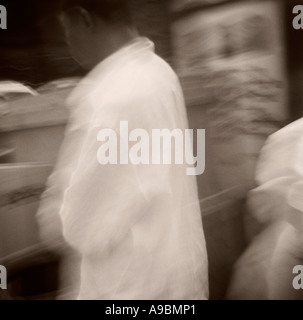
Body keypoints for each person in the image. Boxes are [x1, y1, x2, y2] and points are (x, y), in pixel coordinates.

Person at [36, 0, 209, 300]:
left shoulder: (112, 97)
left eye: (67, 32)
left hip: (130, 291)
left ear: (84, 18)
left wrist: (51, 212)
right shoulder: (159, 72)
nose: (68, 44)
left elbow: (80, 226)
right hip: (174, 280)